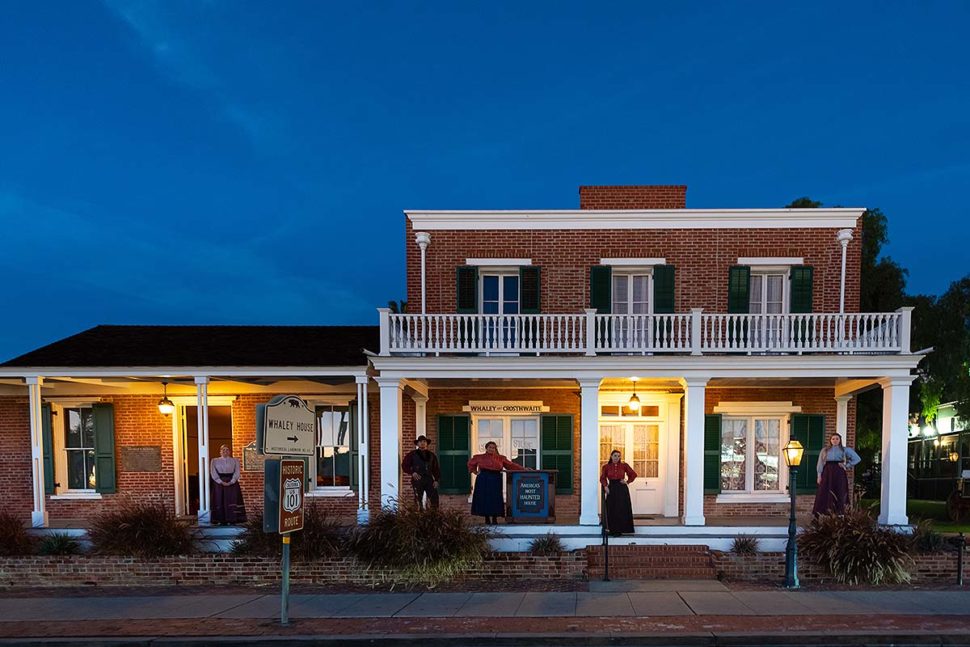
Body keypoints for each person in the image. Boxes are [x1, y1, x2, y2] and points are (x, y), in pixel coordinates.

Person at [467, 441, 527, 524]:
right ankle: (487, 518)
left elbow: (511, 465)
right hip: (483, 479)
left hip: (496, 479)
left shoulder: (501, 458)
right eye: (490, 447)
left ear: (495, 449)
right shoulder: (479, 457)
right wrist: (475, 472)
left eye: (493, 447)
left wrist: (524, 469)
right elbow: (471, 463)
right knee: (485, 498)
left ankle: (495, 518)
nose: (491, 449)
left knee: (495, 498)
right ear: (486, 448)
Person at [812, 432, 861, 516]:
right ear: (830, 440)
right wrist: (819, 475)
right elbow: (820, 463)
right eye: (833, 439)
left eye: (837, 439)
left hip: (839, 472)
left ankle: (840, 513)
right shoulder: (825, 450)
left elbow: (857, 459)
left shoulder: (845, 450)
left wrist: (847, 465)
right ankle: (820, 513)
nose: (835, 440)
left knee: (839, 490)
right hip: (827, 472)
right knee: (824, 491)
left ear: (840, 440)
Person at [601, 450, 637, 536]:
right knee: (611, 508)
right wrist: (605, 486)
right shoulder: (606, 467)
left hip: (622, 489)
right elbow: (602, 478)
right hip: (611, 488)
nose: (617, 458)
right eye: (615, 456)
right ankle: (612, 529)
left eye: (618, 456)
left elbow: (633, 474)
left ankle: (621, 530)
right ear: (611, 456)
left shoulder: (624, 465)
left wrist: (627, 481)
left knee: (621, 509)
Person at [210, 444, 246, 525]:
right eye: (223, 450)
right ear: (220, 452)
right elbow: (213, 472)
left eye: (227, 450)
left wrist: (232, 481)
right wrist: (220, 481)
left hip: (231, 483)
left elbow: (237, 471)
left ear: (229, 451)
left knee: (232, 500)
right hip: (219, 484)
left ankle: (233, 519)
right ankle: (220, 520)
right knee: (220, 500)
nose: (225, 451)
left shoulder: (235, 460)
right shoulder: (214, 461)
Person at [402, 435, 441, 510]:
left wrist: (436, 480)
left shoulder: (432, 455)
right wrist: (412, 472)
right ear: (417, 444)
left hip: (429, 479)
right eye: (420, 442)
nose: (422, 443)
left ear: (427, 443)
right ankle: (418, 518)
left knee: (434, 498)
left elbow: (436, 469)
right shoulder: (412, 454)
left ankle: (434, 517)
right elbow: (404, 465)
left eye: (424, 441)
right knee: (418, 499)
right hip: (418, 479)